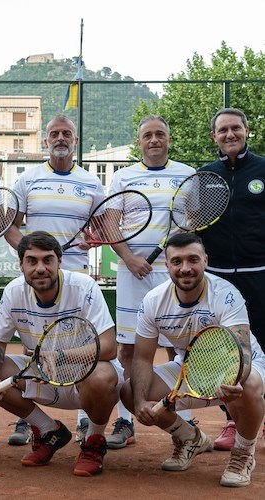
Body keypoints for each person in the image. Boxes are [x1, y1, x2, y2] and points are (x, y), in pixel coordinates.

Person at [121, 233, 265, 488]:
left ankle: (243, 454)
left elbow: (243, 350)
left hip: (239, 367)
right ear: (167, 265)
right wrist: (141, 400)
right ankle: (190, 438)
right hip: (191, 369)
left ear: (205, 261)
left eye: (193, 260)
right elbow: (142, 358)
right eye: (177, 261)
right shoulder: (153, 301)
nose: (185, 268)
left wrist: (234, 379)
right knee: (129, 390)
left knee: (250, 386)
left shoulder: (226, 294)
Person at [0, 231, 122, 476]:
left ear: (60, 262)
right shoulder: (14, 292)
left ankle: (93, 442)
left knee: (102, 377)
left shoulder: (83, 286)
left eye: (47, 260)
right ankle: (49, 431)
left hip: (85, 376)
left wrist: (62, 355)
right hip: (42, 374)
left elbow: (108, 346)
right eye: (32, 261)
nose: (40, 268)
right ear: (21, 264)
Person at [5, 114, 106, 444]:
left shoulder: (92, 182)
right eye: (54, 134)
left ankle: (84, 418)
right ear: (45, 141)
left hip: (76, 277)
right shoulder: (28, 179)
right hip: (40, 274)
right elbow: (11, 224)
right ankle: (30, 419)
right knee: (33, 338)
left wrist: (96, 239)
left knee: (80, 346)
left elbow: (102, 228)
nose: (60, 138)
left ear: (75, 140)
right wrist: (30, 253)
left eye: (67, 133)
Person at [107, 115, 195, 448]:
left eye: (160, 134)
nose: (154, 140)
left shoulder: (188, 174)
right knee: (128, 349)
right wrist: (129, 258)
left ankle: (183, 420)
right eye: (148, 135)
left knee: (182, 345)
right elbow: (111, 225)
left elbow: (195, 223)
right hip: (133, 273)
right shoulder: (122, 177)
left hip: (176, 274)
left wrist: (179, 262)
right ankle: (125, 421)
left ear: (168, 140)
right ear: (139, 141)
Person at [198, 107, 265, 451]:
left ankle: (262, 416)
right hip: (220, 277)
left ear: (246, 131)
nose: (229, 134)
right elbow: (195, 222)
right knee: (227, 350)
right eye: (222, 130)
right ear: (215, 136)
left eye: (235, 128)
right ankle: (231, 419)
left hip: (261, 273)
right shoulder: (205, 176)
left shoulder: (263, 169)